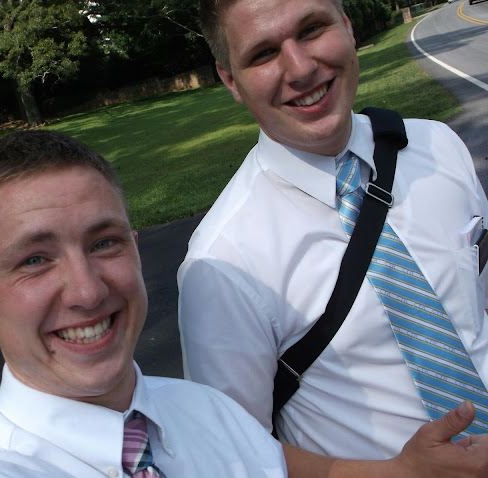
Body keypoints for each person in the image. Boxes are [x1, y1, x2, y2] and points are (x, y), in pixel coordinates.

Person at [178, 0, 488, 475]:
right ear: (230, 79)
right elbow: (233, 454)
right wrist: (399, 473)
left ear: (346, 26)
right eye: (263, 53)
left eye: (311, 29)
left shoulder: (439, 146)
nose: (301, 68)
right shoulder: (221, 262)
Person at [0, 130, 288, 477]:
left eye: (103, 243)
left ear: (135, 250)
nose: (87, 292)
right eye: (34, 260)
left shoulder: (213, 413)